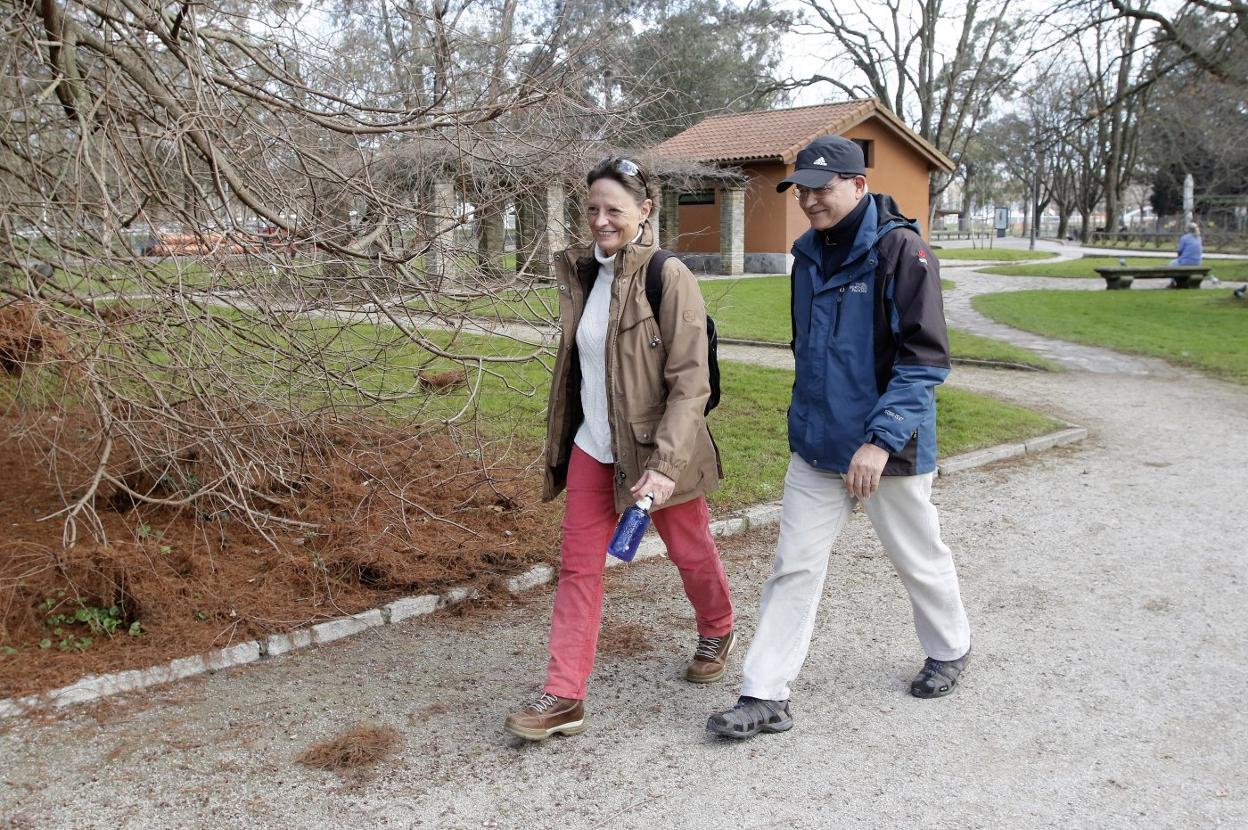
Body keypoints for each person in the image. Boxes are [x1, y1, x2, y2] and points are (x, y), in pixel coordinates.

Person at [706, 136, 971, 740]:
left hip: (888, 448)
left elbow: (923, 360)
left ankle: (950, 648)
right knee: (792, 568)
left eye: (821, 188)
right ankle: (764, 694)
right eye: (801, 188)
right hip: (820, 445)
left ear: (857, 185)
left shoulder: (901, 251)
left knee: (917, 556)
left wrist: (878, 441)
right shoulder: (806, 254)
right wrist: (809, 425)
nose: (808, 200)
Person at [504, 157, 734, 741]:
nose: (601, 220)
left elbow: (691, 382)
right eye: (592, 209)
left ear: (644, 212)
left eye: (614, 209)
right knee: (579, 569)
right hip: (593, 446)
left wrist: (662, 468)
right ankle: (564, 696)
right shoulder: (584, 273)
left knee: (691, 549)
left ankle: (718, 623)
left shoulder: (668, 275)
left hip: (660, 453)